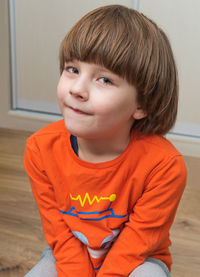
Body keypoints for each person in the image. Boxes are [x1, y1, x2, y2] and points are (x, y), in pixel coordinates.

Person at [24, 4, 187, 277]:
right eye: (72, 69)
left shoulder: (164, 166)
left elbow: (136, 244)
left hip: (138, 261)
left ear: (142, 104)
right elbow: (58, 232)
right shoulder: (39, 149)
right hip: (69, 253)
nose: (77, 89)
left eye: (104, 79)